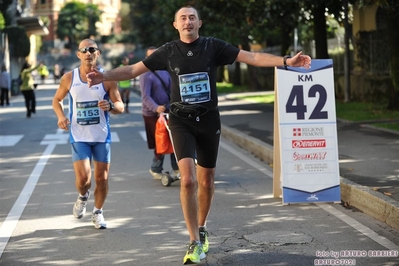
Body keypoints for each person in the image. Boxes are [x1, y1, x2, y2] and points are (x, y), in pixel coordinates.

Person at [87, 5, 311, 264]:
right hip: (181, 122)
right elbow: (133, 70)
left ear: (199, 23)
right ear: (176, 25)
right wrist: (103, 76)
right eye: (182, 18)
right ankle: (193, 240)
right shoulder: (168, 51)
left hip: (208, 121)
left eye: (192, 18)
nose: (187, 22)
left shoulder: (213, 47)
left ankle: (202, 228)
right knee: (188, 180)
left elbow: (252, 58)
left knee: (206, 181)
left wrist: (286, 61)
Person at [52, 38, 124, 229]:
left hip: (101, 136)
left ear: (97, 53)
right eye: (84, 50)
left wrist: (110, 106)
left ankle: (98, 212)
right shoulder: (69, 78)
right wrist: (60, 116)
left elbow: (120, 106)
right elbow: (56, 100)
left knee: (102, 179)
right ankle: (83, 196)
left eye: (92, 49)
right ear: (79, 55)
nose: (88, 53)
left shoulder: (107, 79)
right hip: (79, 136)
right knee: (84, 180)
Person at [140, 46, 179, 180]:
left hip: (167, 111)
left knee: (175, 140)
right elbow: (145, 97)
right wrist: (156, 108)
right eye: (150, 56)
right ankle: (155, 168)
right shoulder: (145, 74)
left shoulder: (165, 71)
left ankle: (177, 168)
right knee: (160, 140)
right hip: (151, 114)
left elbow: (171, 90)